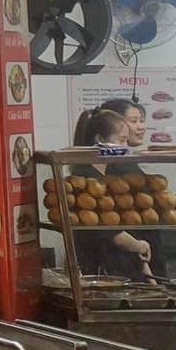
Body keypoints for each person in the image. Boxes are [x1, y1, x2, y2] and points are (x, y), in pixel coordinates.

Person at [69, 107, 156, 280]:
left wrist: (147, 272)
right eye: (121, 140)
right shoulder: (85, 178)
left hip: (121, 267)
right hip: (98, 268)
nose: (125, 147)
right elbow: (110, 233)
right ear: (100, 140)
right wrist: (138, 246)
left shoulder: (111, 175)